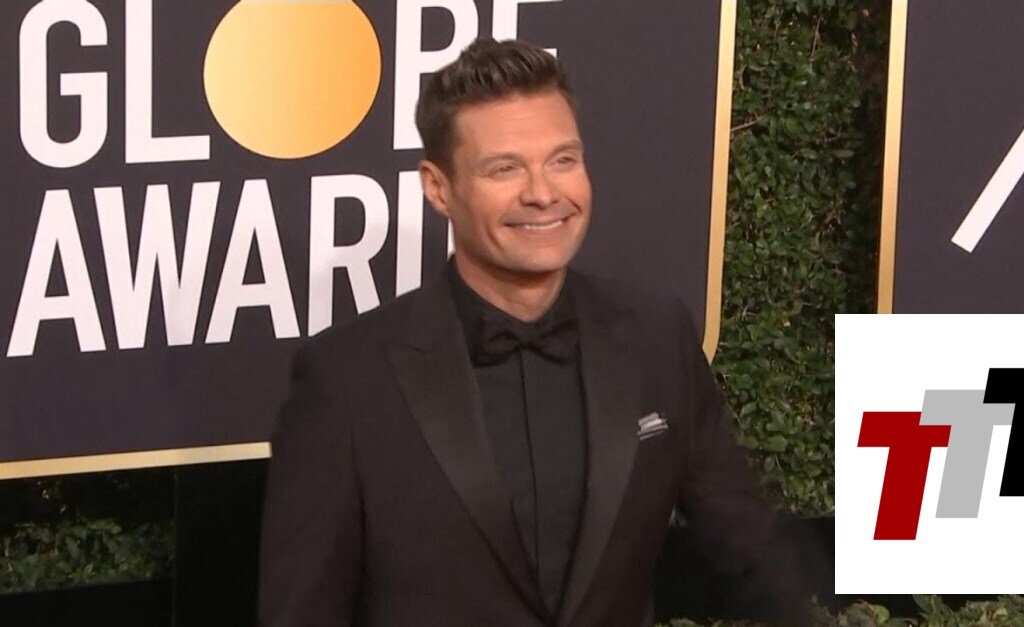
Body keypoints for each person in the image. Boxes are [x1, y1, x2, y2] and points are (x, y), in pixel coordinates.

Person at [258, 38, 809, 627]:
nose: (543, 193)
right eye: (505, 168)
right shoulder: (346, 379)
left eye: (563, 160)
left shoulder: (656, 336)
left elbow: (749, 549)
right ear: (438, 188)